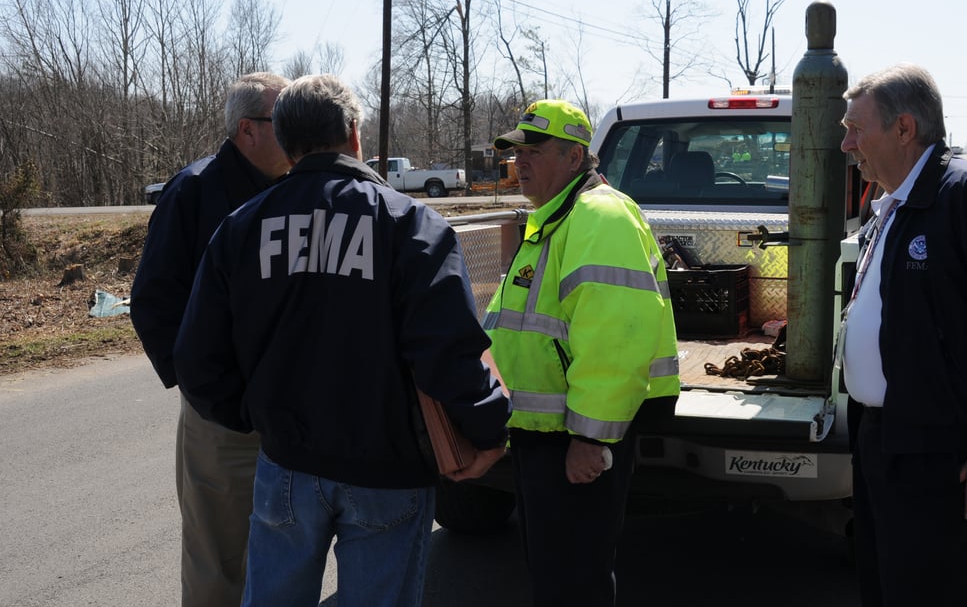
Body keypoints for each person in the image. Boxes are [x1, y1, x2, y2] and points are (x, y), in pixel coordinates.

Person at [172, 74, 510, 606]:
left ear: (284, 142)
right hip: (388, 471)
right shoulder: (411, 225)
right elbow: (448, 353)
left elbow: (196, 360)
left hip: (284, 464)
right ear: (355, 134)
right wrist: (489, 430)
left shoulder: (241, 228)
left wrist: (255, 416)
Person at [839, 63, 967, 606]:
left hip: (947, 462)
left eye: (855, 129)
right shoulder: (892, 206)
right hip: (883, 445)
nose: (847, 145)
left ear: (903, 129)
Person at [483, 99, 680, 606]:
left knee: (573, 581)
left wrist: (591, 438)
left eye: (534, 150)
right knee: (554, 575)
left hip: (572, 437)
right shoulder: (554, 217)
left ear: (575, 159)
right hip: (542, 434)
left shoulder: (599, 216)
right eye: (516, 150)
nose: (519, 161)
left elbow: (616, 339)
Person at [130, 72, 292, 607]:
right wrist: (207, 389)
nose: (293, 134)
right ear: (247, 130)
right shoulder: (196, 190)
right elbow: (154, 301)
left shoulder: (291, 190)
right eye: (281, 122)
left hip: (288, 412)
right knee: (218, 562)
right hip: (224, 419)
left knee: (284, 551)